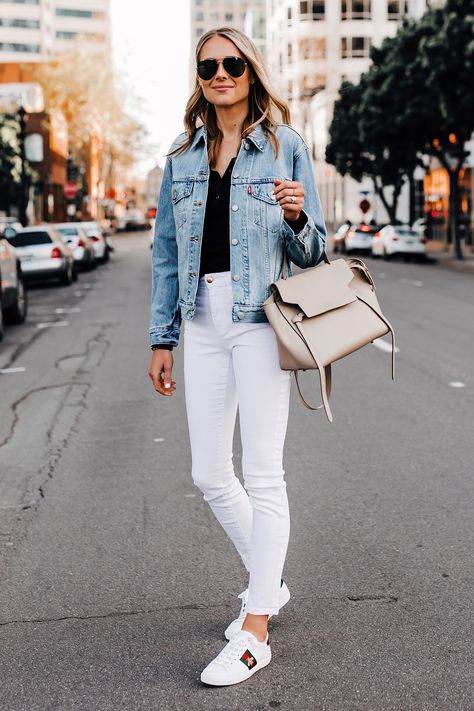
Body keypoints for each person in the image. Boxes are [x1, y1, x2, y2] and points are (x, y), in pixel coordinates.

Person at [148, 26, 326, 687]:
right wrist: (161, 338)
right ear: (198, 77)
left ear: (250, 71)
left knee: (262, 472)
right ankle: (268, 583)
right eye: (207, 66)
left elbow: (315, 252)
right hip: (200, 320)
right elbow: (166, 253)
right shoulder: (181, 156)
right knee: (207, 471)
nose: (220, 74)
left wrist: (299, 216)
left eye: (231, 63)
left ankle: (255, 628)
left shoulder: (285, 147)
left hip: (258, 319)